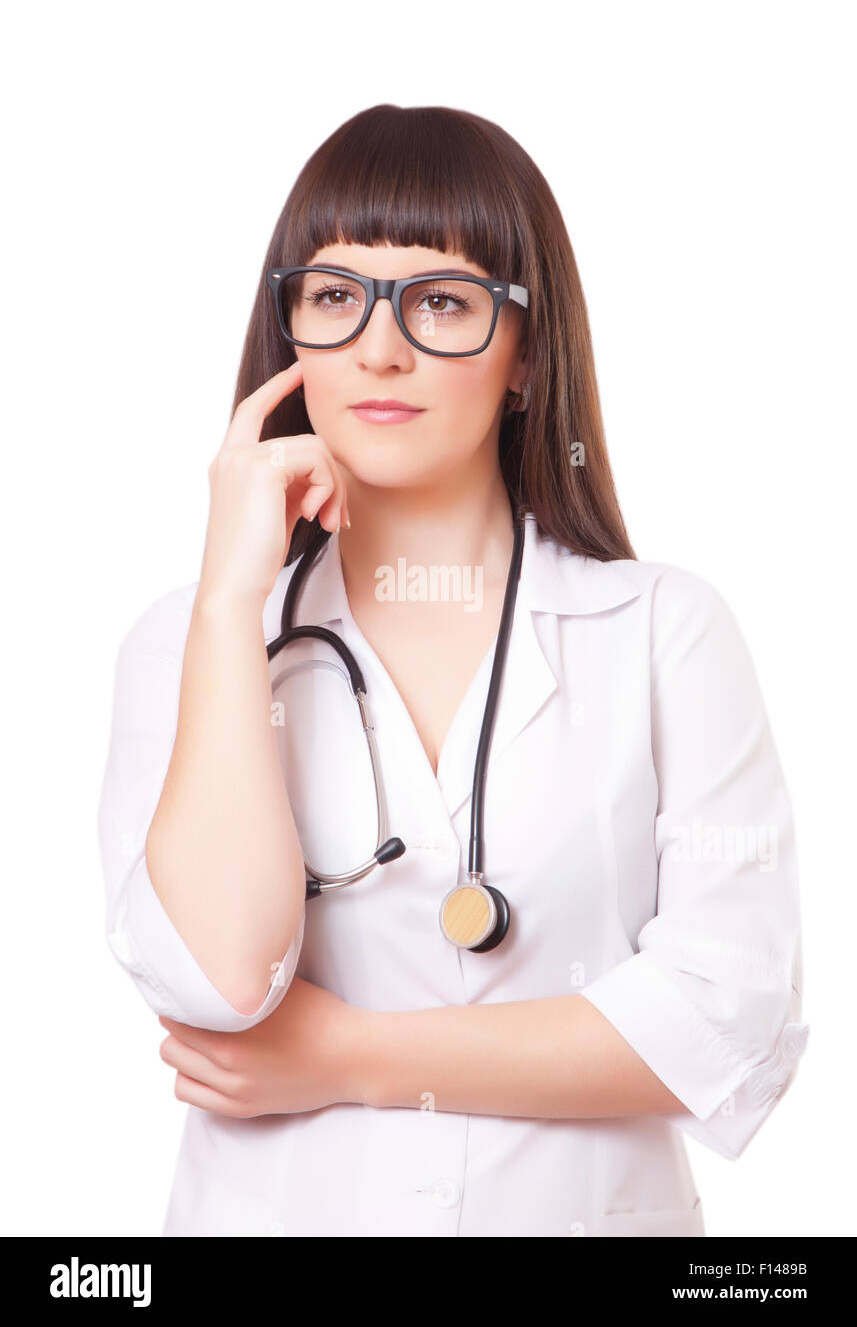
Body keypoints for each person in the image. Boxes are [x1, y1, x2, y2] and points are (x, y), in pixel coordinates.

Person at [97, 103, 809, 1238]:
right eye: (334, 297)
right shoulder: (193, 639)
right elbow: (224, 982)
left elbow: (719, 1019)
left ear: (525, 353)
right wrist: (234, 596)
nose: (379, 348)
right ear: (290, 338)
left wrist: (348, 1055)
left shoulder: (661, 630)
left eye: (439, 301)